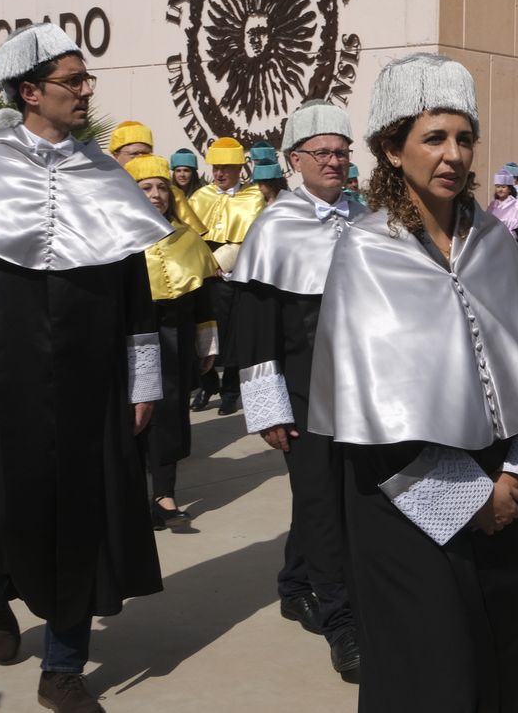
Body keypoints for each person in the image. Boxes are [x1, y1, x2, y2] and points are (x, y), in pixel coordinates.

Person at [0, 23, 169, 712]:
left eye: (86, 81)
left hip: (93, 388)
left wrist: (143, 379)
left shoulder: (106, 177)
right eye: (73, 81)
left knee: (82, 521)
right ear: (31, 91)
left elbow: (134, 291)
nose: (85, 92)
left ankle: (62, 667)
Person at [309, 53, 518, 713]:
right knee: (434, 670)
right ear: (392, 150)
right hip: (405, 505)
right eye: (434, 137)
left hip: (503, 491)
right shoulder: (365, 250)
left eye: (464, 137)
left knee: (499, 651)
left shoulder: (495, 242)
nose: (453, 153)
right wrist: (469, 502)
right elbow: (366, 420)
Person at [227, 99, 366, 680]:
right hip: (305, 390)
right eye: (322, 153)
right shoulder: (274, 228)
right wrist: (267, 409)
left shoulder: (367, 217)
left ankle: (294, 584)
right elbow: (255, 331)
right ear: (294, 161)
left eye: (341, 152)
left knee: (339, 495)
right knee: (321, 500)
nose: (334, 161)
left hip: (363, 387)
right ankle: (343, 622)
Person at [125, 154, 221, 530]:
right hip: (130, 340)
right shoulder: (112, 238)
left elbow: (202, 300)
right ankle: (131, 497)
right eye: (146, 187)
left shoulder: (188, 238)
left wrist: (206, 342)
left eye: (162, 187)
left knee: (169, 418)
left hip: (175, 336)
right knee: (131, 419)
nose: (156, 194)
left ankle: (164, 495)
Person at [187, 136, 265, 415]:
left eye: (226, 168)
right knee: (203, 331)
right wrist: (208, 262)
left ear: (239, 169)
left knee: (232, 334)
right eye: (216, 167)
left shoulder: (254, 196)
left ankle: (231, 390)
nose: (219, 173)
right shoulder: (200, 196)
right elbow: (189, 236)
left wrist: (229, 259)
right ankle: (207, 385)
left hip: (235, 274)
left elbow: (255, 238)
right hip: (204, 273)